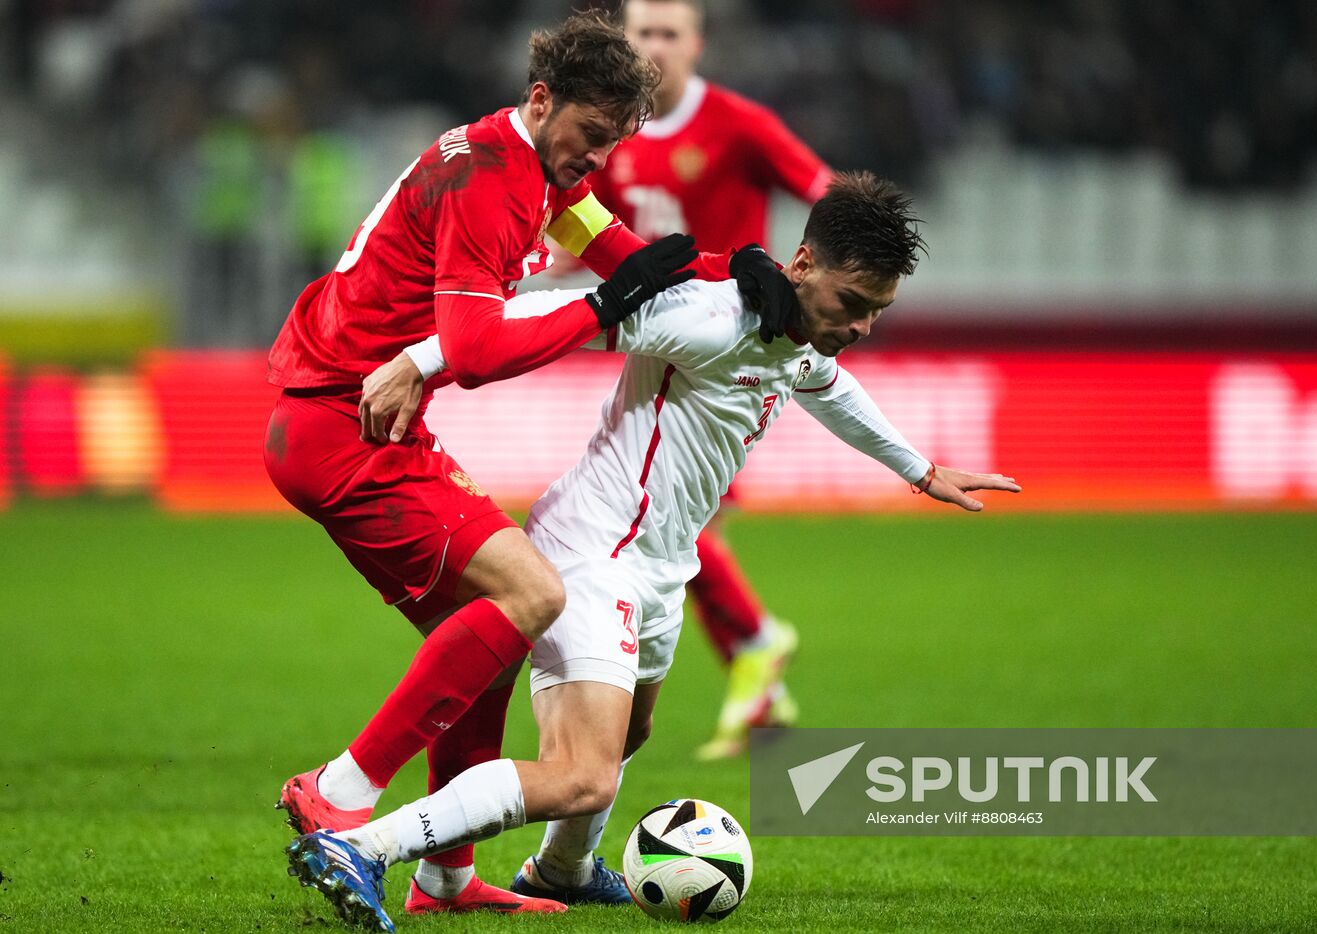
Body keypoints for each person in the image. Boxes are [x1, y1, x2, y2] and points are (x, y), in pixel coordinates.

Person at [294, 172, 1019, 930]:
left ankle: (562, 869)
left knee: (631, 733)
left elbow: (828, 386)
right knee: (582, 777)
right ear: (803, 264)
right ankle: (366, 847)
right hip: (593, 553)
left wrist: (921, 470)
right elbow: (551, 312)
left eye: (878, 312)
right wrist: (423, 360)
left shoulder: (795, 334)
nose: (863, 326)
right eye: (853, 304)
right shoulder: (709, 316)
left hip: (665, 566)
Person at [263, 12, 795, 928]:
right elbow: (471, 345)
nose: (595, 161)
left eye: (613, 145)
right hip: (343, 426)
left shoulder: (542, 173)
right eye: (590, 138)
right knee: (533, 596)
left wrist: (738, 269)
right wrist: (599, 309)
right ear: (542, 101)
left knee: (493, 636)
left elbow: (626, 258)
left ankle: (444, 878)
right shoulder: (494, 178)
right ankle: (339, 791)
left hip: (355, 424)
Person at [594, 0, 839, 759]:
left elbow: (828, 197)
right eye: (643, 33)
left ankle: (759, 643)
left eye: (671, 33)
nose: (657, 46)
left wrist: (807, 286)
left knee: (676, 525)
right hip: (657, 346)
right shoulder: (614, 132)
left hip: (733, 349)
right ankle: (760, 684)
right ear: (625, 43)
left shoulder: (738, 122)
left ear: (697, 44)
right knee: (671, 527)